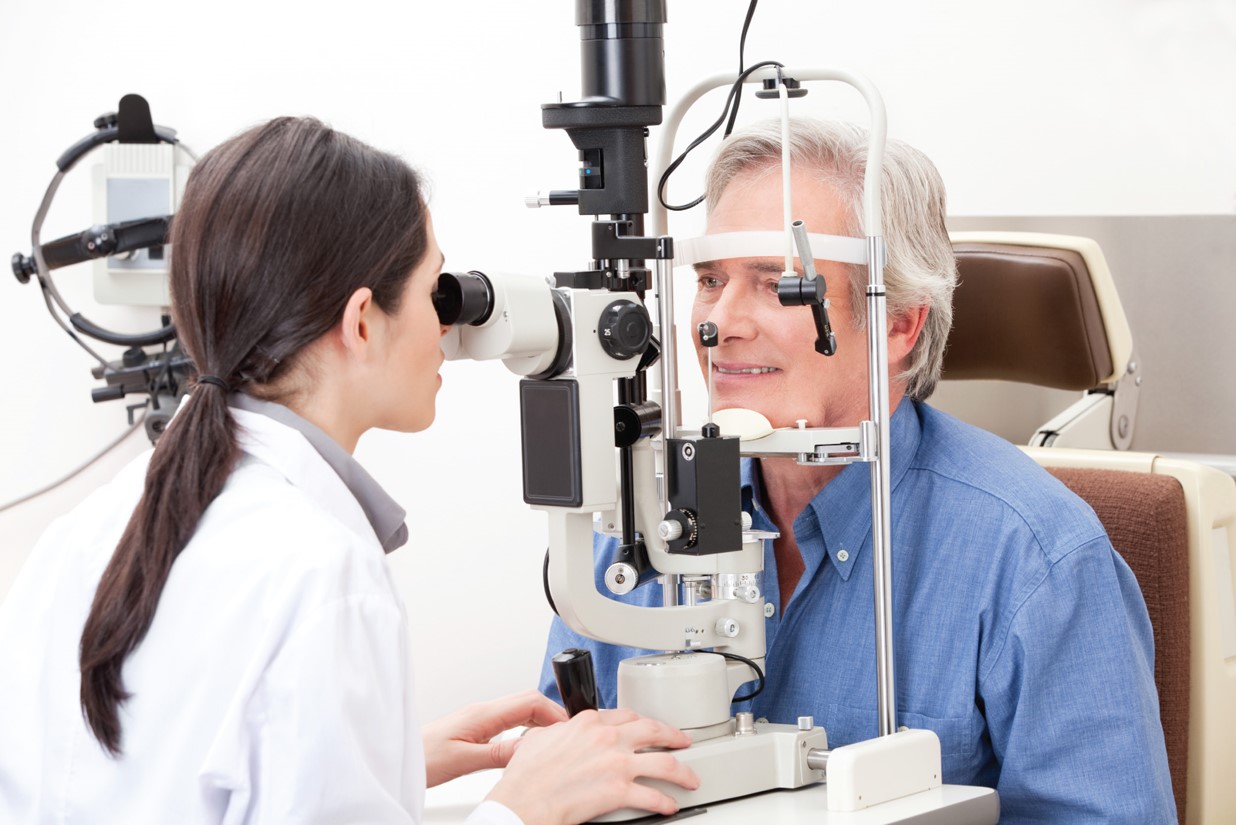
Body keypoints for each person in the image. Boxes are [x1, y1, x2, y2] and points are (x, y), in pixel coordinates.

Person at [0, 117, 698, 824]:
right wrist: (520, 809)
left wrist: (385, 762)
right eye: (435, 292)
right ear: (362, 320)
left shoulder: (86, 529)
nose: (447, 330)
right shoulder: (320, 571)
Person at [539, 118, 1177, 823]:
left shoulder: (1032, 557)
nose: (719, 322)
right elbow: (562, 773)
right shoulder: (639, 531)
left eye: (776, 283)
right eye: (710, 279)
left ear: (899, 323)